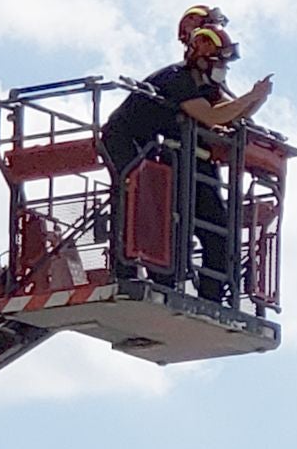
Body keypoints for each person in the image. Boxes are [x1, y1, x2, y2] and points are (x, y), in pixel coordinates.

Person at [101, 23, 273, 302]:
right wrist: (252, 96)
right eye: (219, 62)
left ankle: (210, 296)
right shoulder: (178, 80)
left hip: (148, 147)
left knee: (211, 227)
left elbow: (229, 115)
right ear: (201, 59)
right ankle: (129, 271)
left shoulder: (201, 85)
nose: (223, 69)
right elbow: (212, 117)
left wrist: (257, 100)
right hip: (122, 139)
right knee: (137, 201)